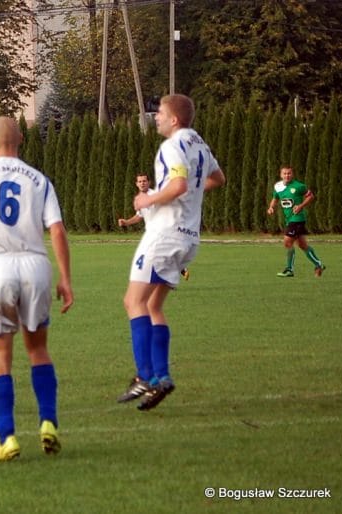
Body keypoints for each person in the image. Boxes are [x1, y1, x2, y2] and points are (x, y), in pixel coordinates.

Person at [0, 117, 74, 463]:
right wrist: (65, 278)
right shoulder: (39, 179)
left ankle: (7, 438)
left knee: (0, 358)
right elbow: (57, 230)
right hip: (35, 265)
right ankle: (48, 422)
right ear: (20, 139)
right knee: (38, 351)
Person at [119, 94, 226, 411]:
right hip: (189, 237)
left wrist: (147, 200)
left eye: (160, 113)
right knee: (153, 305)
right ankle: (161, 376)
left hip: (165, 234)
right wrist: (189, 193)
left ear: (175, 119)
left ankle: (145, 376)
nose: (156, 117)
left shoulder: (172, 145)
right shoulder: (198, 143)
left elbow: (178, 185)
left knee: (133, 301)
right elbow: (218, 179)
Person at [118, 173, 190, 281]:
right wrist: (126, 222)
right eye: (140, 181)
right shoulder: (139, 199)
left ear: (149, 182)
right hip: (151, 233)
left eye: (144, 181)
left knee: (149, 257)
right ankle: (179, 268)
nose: (142, 183)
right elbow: (139, 216)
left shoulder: (155, 195)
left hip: (160, 232)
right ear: (136, 184)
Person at [266, 165, 326, 278]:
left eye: (289, 173)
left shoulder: (299, 186)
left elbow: (311, 196)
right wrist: (271, 207)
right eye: (285, 173)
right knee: (303, 245)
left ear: (292, 174)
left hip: (297, 219)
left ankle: (289, 269)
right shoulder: (278, 186)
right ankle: (318, 265)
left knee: (287, 242)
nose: (287, 175)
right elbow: (275, 198)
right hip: (289, 219)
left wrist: (301, 206)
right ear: (281, 175)